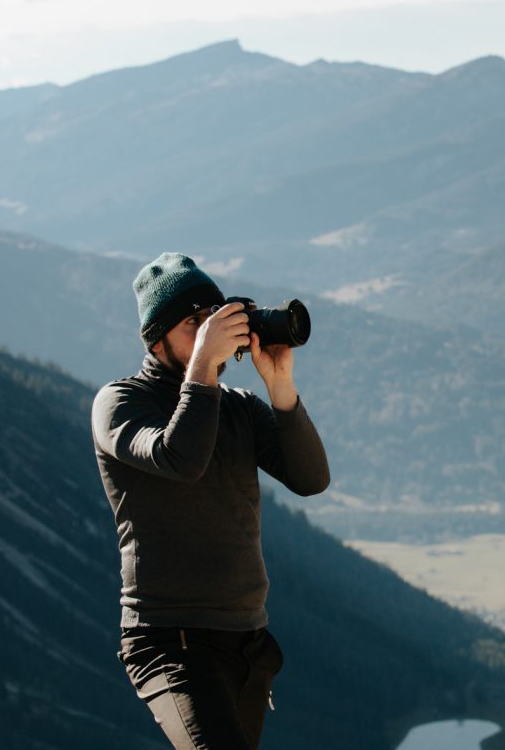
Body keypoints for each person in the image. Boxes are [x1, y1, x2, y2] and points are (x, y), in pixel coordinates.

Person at [90, 252, 330, 749]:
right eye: (192, 324)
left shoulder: (237, 407)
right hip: (171, 641)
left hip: (248, 641)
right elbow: (181, 458)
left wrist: (281, 385)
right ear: (156, 338)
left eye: (214, 321)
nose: (208, 335)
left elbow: (311, 479)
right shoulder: (120, 403)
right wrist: (203, 365)